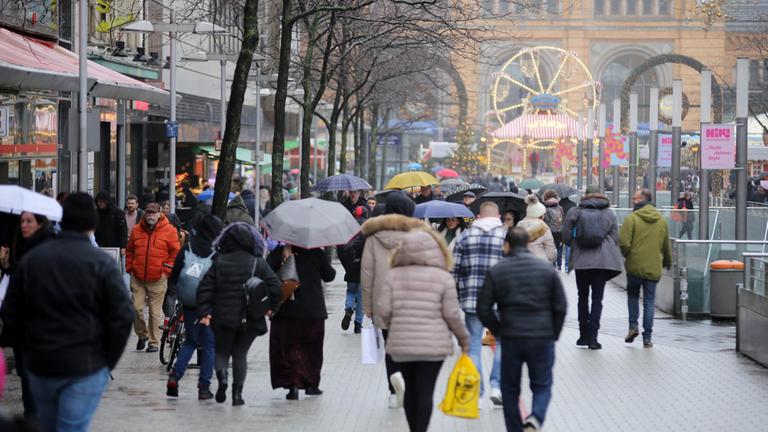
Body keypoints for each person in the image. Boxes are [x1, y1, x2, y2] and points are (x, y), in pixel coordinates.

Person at [1, 193, 133, 432]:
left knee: (47, 425)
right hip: (85, 366)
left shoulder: (33, 259)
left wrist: (27, 351)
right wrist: (107, 362)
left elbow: (11, 311)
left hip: (42, 364)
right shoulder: (101, 263)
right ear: (93, 225)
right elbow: (123, 316)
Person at [379, 231, 470, 432]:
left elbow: (384, 311)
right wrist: (463, 338)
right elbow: (452, 314)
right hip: (433, 346)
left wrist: (397, 324)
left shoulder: (393, 276)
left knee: (411, 390)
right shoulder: (443, 277)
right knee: (426, 391)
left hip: (402, 345)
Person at [478, 227, 567, 432]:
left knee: (510, 389)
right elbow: (560, 306)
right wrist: (553, 333)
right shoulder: (546, 270)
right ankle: (535, 418)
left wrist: (498, 330)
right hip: (542, 336)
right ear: (527, 244)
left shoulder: (497, 270)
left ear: (506, 245)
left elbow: (483, 308)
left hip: (511, 337)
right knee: (542, 385)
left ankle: (515, 428)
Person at [197, 222, 282, 405]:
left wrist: (205, 311)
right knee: (240, 354)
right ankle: (237, 395)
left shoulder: (219, 261)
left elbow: (205, 288)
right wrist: (271, 308)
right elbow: (276, 287)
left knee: (221, 352)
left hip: (222, 318)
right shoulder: (258, 262)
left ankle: (222, 377)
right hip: (250, 318)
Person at [361, 191, 426, 408]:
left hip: (384, 302)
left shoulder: (373, 237)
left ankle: (392, 392)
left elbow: (367, 274)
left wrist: (367, 306)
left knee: (390, 347)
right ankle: (409, 382)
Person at [0, 211, 55, 419]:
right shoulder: (22, 244)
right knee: (26, 378)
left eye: (29, 221)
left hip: (41, 327)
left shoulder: (47, 248)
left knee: (37, 379)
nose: (24, 225)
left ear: (40, 224)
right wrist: (6, 264)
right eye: (22, 221)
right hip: (23, 327)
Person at [451, 201, 506, 407]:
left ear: (479, 217)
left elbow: (454, 271)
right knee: (502, 342)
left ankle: (476, 390)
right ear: (498, 216)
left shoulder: (465, 237)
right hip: (501, 301)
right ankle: (497, 387)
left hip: (472, 300)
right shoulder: (505, 237)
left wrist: (455, 296)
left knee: (473, 345)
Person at [166, 214, 224, 401]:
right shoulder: (217, 253)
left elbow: (174, 276)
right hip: (209, 306)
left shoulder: (187, 248)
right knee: (208, 345)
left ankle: (175, 375)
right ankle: (204, 388)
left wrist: (176, 293)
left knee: (190, 342)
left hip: (189, 304)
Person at [268, 243, 336, 400]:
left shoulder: (279, 253)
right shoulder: (316, 253)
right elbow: (329, 275)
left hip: (287, 310)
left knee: (288, 349)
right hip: (313, 310)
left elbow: (266, 272)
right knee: (312, 349)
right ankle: (311, 385)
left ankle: (292, 385)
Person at [562, 186, 622, 350]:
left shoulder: (575, 211)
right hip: (602, 262)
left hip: (581, 262)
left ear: (585, 195)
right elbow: (616, 236)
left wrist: (575, 244)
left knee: (582, 297)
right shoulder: (609, 213)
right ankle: (594, 338)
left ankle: (583, 335)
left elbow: (565, 234)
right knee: (597, 299)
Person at [126, 202, 181, 352]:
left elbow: (175, 253)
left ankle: (154, 342)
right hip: (138, 277)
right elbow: (130, 250)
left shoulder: (169, 230)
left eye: (153, 213)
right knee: (136, 308)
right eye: (148, 213)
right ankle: (142, 335)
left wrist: (166, 271)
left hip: (158, 278)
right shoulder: (137, 230)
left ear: (159, 214)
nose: (150, 215)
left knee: (154, 312)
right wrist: (130, 268)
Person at [620, 189, 671, 348]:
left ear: (643, 199)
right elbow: (666, 246)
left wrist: (628, 255)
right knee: (649, 301)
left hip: (634, 267)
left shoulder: (632, 219)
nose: (633, 200)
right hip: (653, 267)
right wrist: (667, 262)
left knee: (633, 297)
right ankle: (647, 338)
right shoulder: (661, 221)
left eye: (635, 198)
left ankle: (633, 326)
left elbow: (624, 243)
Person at [338, 206, 369, 333]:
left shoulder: (347, 230)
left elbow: (341, 250)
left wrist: (347, 266)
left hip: (351, 268)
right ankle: (358, 324)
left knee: (350, 291)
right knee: (361, 298)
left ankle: (349, 307)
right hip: (363, 269)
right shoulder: (368, 231)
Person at [516, 195, 557, 263]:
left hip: (521, 262)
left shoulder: (519, 226)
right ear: (540, 215)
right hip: (539, 263)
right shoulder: (544, 228)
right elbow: (551, 253)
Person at [541, 190, 564, 269]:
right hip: (560, 231)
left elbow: (545, 220)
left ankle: (553, 264)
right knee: (559, 247)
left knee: (551, 247)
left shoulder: (545, 208)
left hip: (550, 231)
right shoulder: (560, 207)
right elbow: (562, 219)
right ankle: (560, 265)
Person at [559, 195, 577, 272]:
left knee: (559, 247)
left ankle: (558, 265)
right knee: (568, 247)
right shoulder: (573, 204)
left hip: (559, 227)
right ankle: (567, 266)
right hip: (570, 227)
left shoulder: (558, 204)